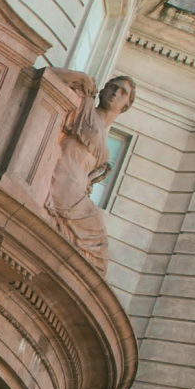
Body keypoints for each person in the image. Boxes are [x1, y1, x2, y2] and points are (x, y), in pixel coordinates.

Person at [45, 71, 135, 273]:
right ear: (102, 91)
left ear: (126, 106)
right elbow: (50, 75)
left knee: (98, 256)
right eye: (113, 87)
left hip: (77, 187)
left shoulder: (105, 143)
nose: (115, 93)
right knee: (98, 252)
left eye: (122, 92)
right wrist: (81, 78)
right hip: (62, 181)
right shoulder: (84, 106)